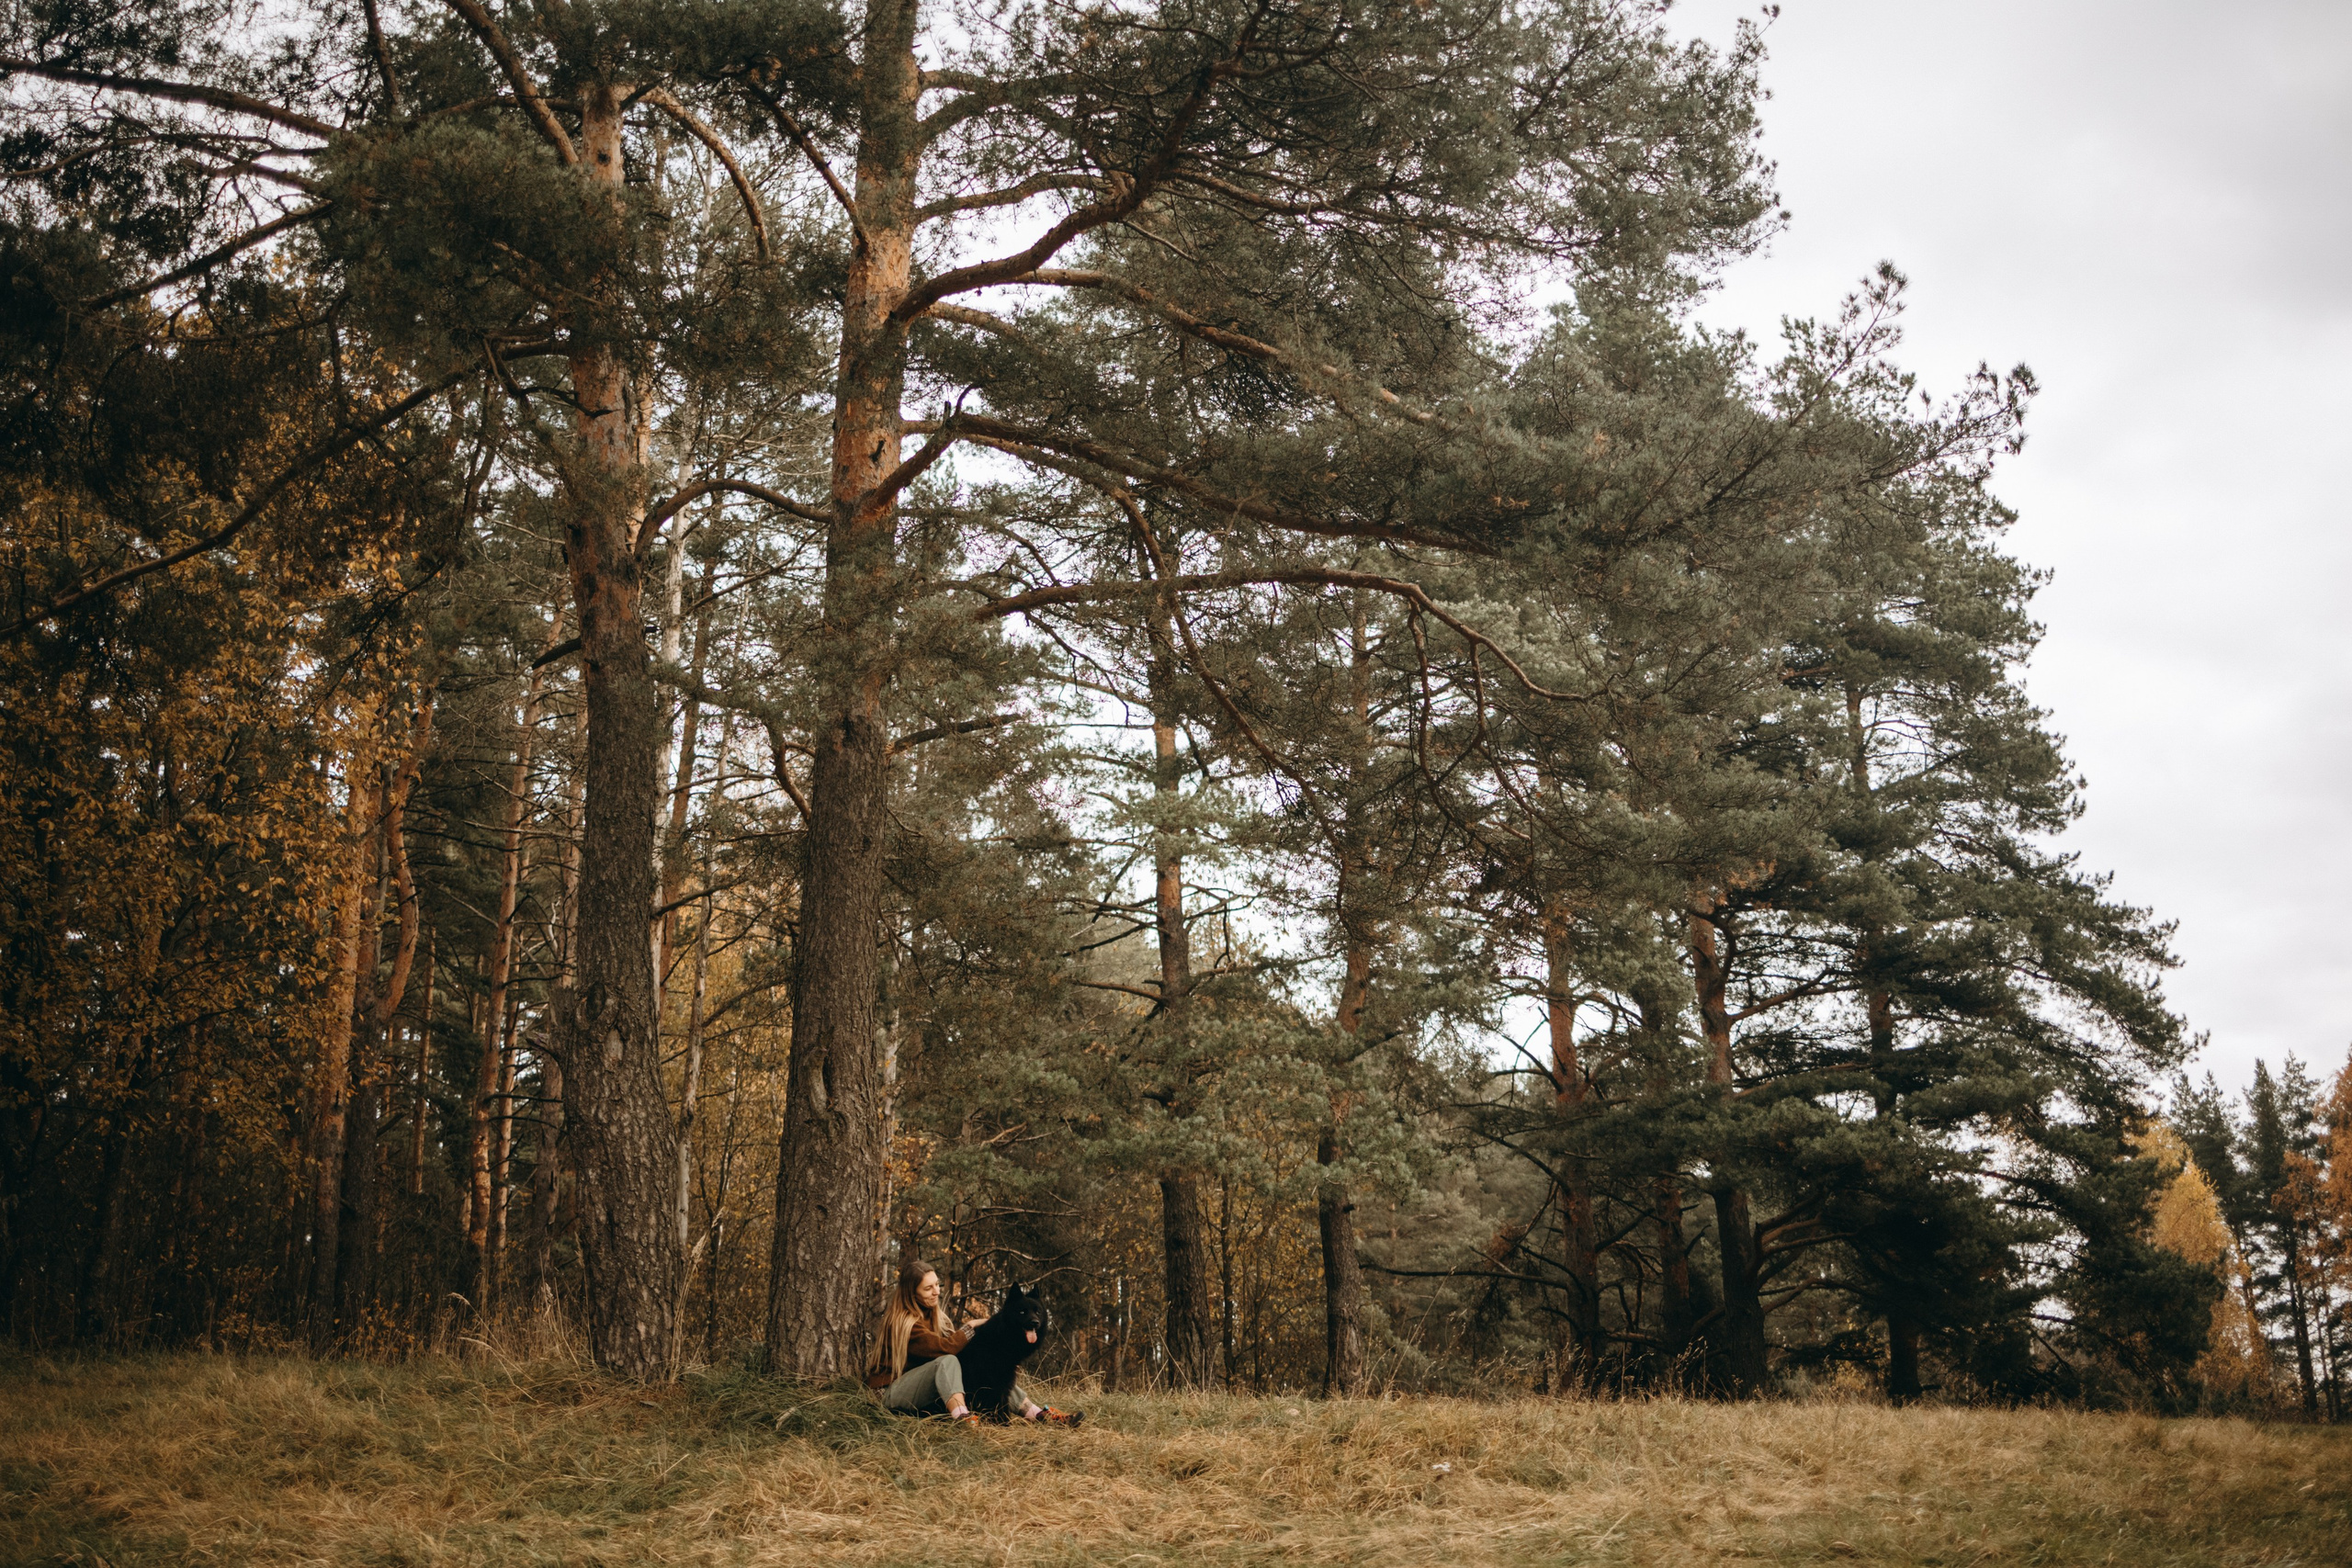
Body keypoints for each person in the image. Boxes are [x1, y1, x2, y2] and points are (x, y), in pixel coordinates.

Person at [867, 1258, 1080, 1427]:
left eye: (937, 1285)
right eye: (928, 1288)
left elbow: (965, 1353)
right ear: (911, 1293)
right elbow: (946, 1349)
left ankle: (1038, 1414)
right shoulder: (905, 1323)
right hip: (891, 1394)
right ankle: (962, 1417)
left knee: (994, 1369)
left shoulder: (933, 1317)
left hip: (917, 1388)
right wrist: (971, 1325)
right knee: (948, 1361)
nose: (937, 1291)